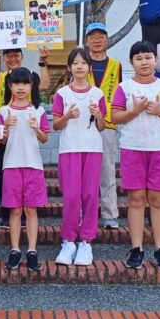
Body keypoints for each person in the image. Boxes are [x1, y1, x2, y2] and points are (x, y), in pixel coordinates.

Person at [110, 40, 160, 272]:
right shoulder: (124, 87)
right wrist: (136, 110)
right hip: (133, 148)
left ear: (155, 60)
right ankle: (137, 248)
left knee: (159, 202)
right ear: (131, 62)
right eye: (139, 58)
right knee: (136, 200)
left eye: (148, 57)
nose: (144, 61)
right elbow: (116, 117)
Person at [0, 46, 50, 231]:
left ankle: (25, 227)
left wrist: (43, 60)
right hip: (6, 137)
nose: (12, 58)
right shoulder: (0, 80)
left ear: (22, 56)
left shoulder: (32, 78)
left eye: (16, 55)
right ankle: (7, 216)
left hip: (29, 154)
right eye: (8, 55)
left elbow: (44, 84)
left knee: (28, 200)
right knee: (5, 178)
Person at [52, 48, 107, 267]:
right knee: (72, 196)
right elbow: (56, 124)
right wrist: (68, 115)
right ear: (69, 68)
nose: (80, 66)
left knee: (91, 195)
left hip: (92, 149)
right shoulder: (62, 94)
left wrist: (98, 115)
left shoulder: (98, 94)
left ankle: (86, 241)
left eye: (83, 63)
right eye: (75, 63)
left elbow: (102, 127)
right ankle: (68, 241)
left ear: (89, 68)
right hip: (69, 149)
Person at [0, 67, 50, 272]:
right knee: (15, 210)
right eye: (16, 83)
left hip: (33, 165)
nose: (20, 88)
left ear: (31, 85)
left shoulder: (39, 110)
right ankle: (15, 249)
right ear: (10, 86)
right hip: (11, 165)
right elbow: (0, 141)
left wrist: (36, 127)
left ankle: (32, 250)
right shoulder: (2, 111)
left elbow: (44, 138)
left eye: (25, 83)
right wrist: (6, 126)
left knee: (31, 209)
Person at [83, 23, 123, 230]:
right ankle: (84, 213)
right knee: (83, 172)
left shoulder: (116, 65)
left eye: (101, 36)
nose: (96, 40)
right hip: (82, 124)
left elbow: (121, 92)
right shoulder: (80, 63)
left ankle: (109, 214)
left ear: (107, 40)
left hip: (107, 123)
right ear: (86, 40)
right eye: (92, 36)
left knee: (107, 169)